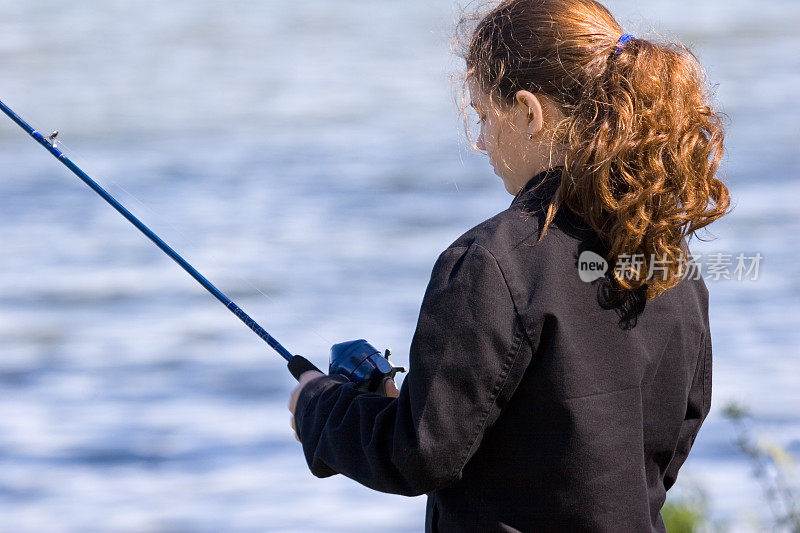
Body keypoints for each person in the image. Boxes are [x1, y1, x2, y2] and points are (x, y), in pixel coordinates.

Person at [288, 0, 730, 530]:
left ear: (528, 111)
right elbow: (669, 438)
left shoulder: (492, 263)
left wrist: (316, 405)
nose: (479, 141)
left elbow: (418, 453)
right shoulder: (669, 258)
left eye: (483, 115)